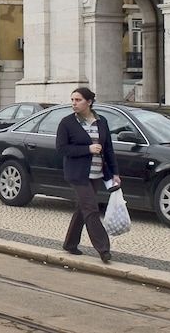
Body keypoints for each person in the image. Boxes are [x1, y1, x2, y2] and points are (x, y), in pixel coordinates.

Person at [56, 87, 119, 263]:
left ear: (89, 102)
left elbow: (109, 149)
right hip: (77, 174)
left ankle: (70, 244)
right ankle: (103, 249)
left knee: (82, 208)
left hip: (97, 173)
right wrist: (87, 149)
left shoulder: (101, 121)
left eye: (78, 100)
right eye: (72, 100)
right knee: (91, 208)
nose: (74, 103)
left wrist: (114, 173)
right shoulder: (67, 123)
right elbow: (62, 149)